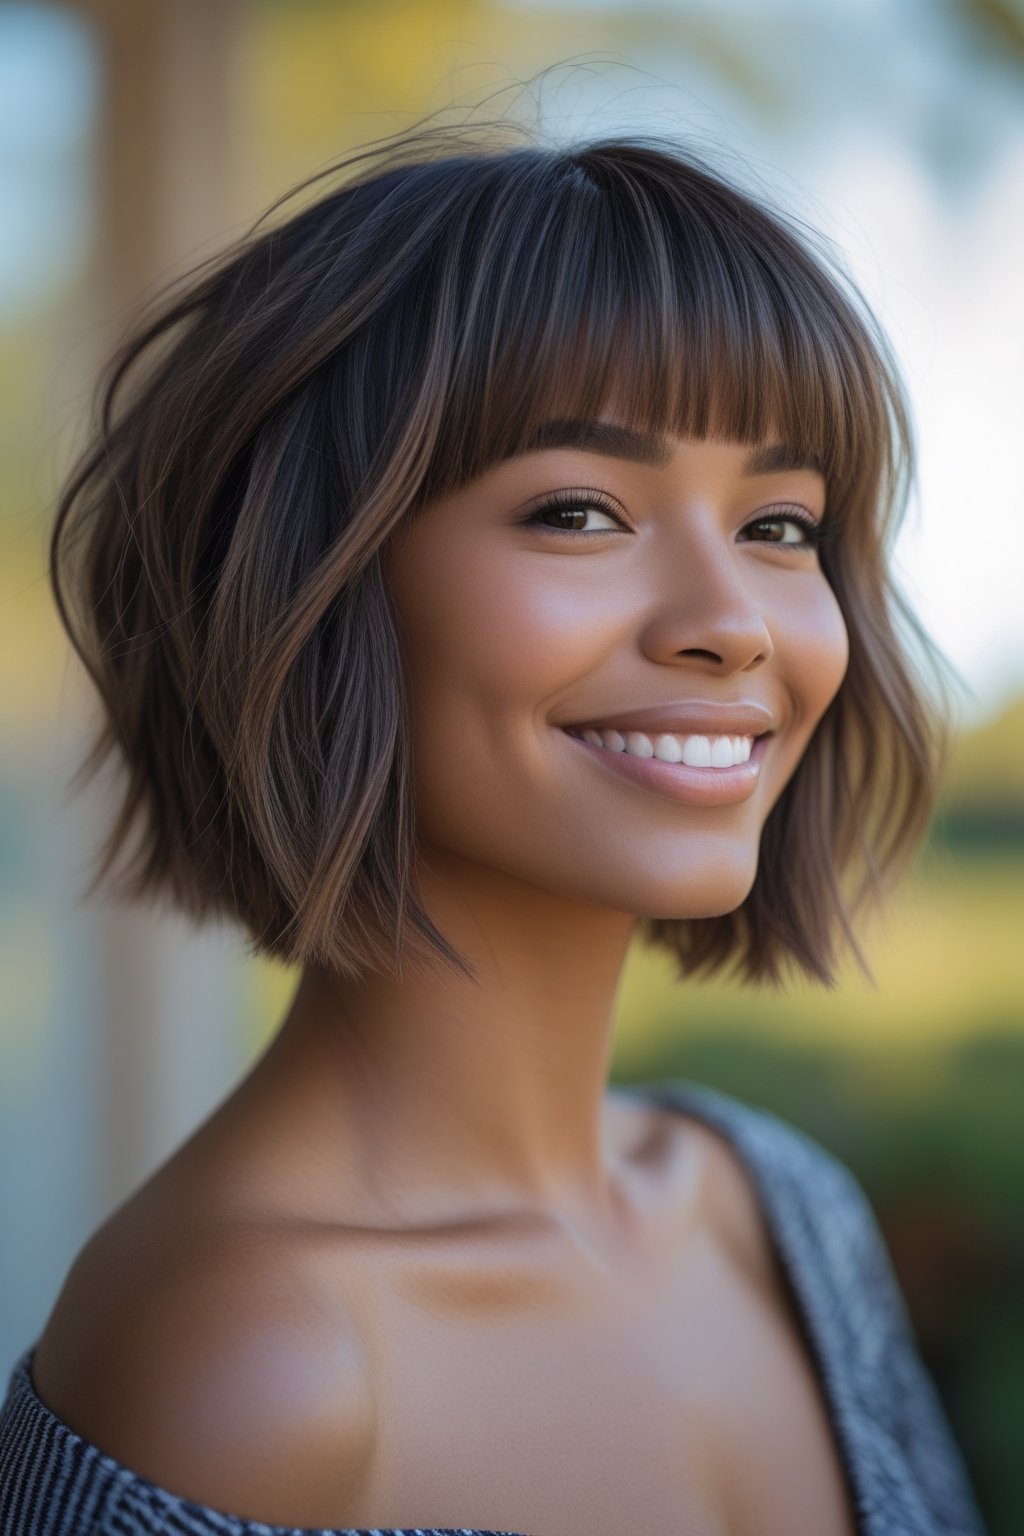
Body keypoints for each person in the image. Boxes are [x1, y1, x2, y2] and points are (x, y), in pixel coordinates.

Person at [0, 117, 987, 1536]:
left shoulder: (780, 1210)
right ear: (311, 584)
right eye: (582, 511)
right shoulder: (242, 1376)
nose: (728, 624)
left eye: (781, 526)